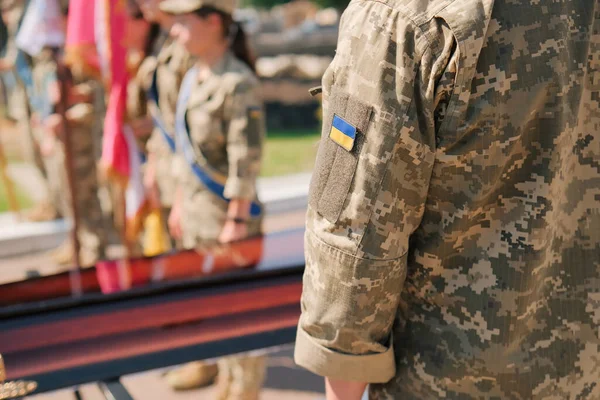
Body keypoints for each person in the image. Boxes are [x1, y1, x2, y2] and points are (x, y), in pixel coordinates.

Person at [294, 0, 600, 399]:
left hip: (448, 379)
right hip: (580, 368)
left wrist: (341, 384)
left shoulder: (399, 15)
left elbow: (356, 244)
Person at [158, 0, 267, 398]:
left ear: (213, 22)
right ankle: (225, 380)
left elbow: (246, 159)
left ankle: (245, 389)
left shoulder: (237, 82)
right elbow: (186, 155)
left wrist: (236, 220)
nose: (175, 31)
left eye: (184, 22)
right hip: (198, 216)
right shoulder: (194, 77)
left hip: (227, 220)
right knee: (214, 306)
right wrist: (180, 205)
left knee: (239, 310)